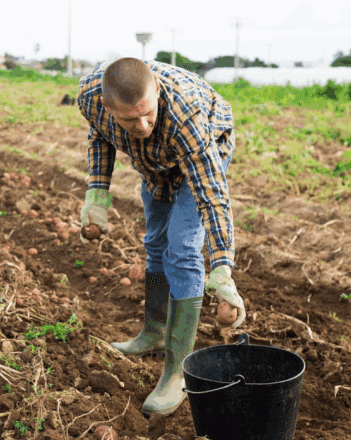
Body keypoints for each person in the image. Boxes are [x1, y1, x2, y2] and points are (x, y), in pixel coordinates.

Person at [77, 57, 246, 416]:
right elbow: (101, 138)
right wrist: (97, 196)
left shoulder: (186, 118)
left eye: (148, 114)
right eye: (129, 119)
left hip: (202, 150)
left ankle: (178, 373)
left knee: (182, 247)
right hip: (155, 162)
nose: (141, 125)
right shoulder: (91, 99)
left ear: (157, 89)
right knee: (155, 242)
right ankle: (154, 332)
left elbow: (212, 196)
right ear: (108, 106)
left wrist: (222, 272)